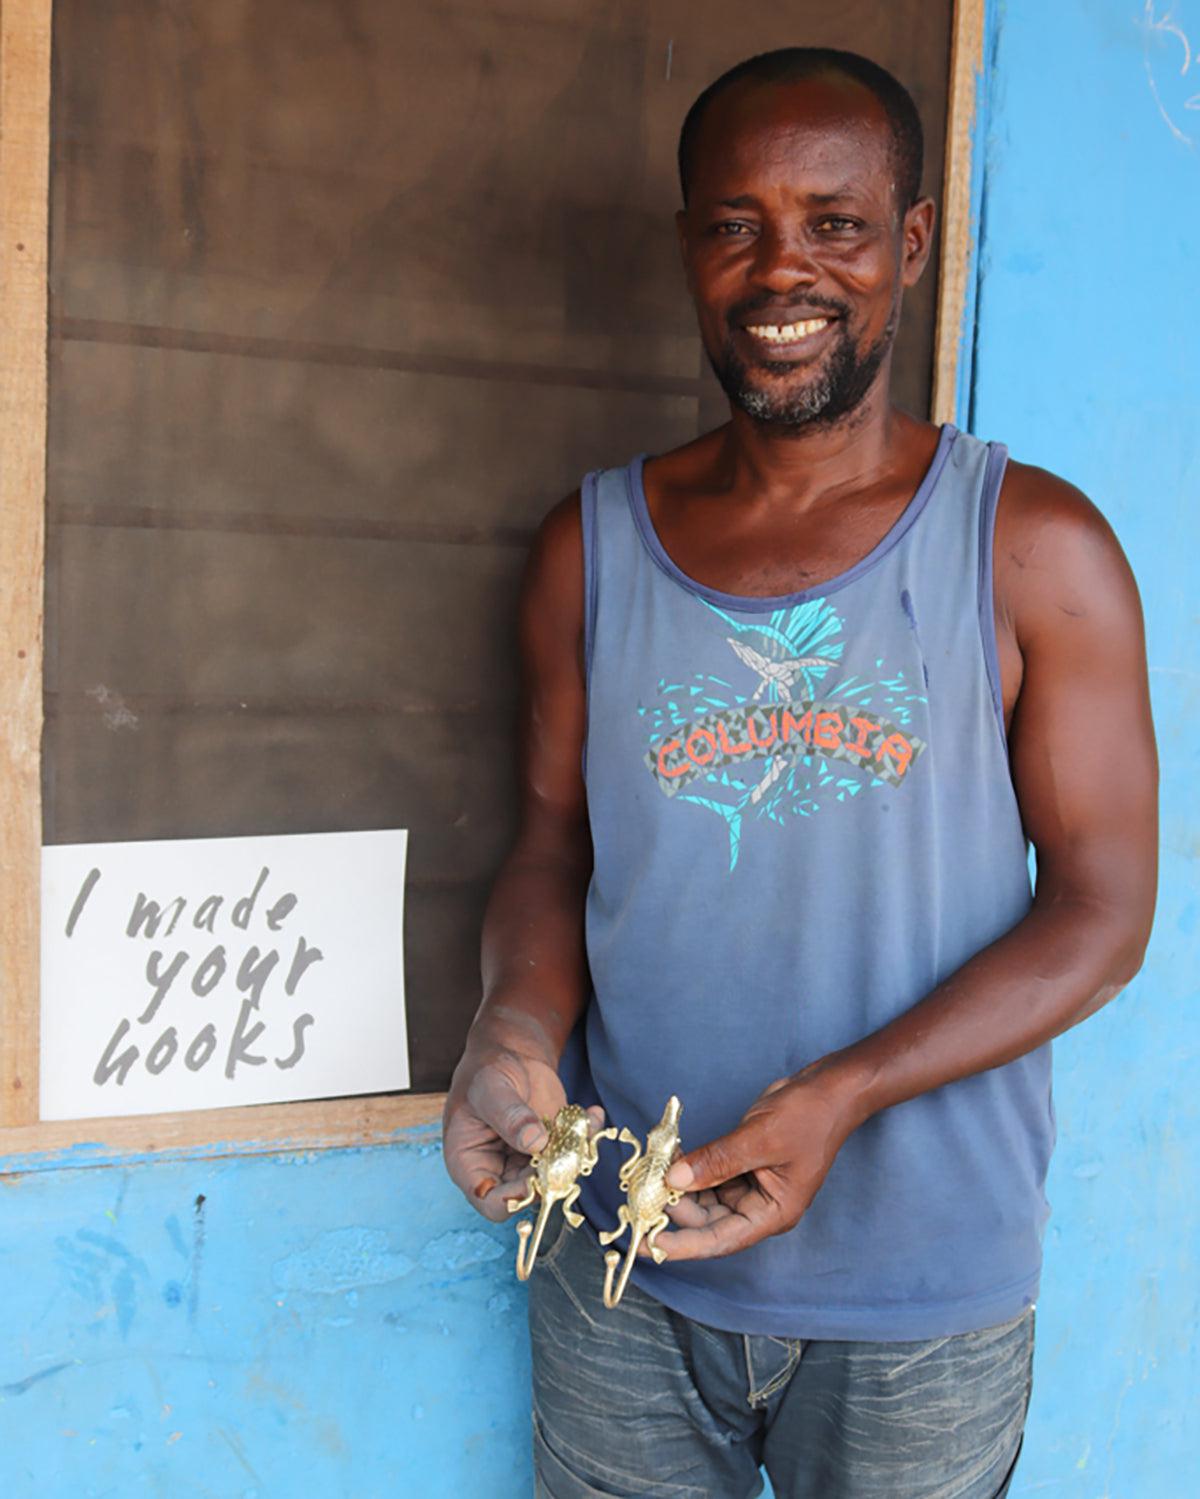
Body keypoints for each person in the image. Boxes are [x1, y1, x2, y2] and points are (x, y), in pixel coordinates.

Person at [442, 47, 1158, 1499]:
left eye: (834, 224)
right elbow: (548, 848)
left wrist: (845, 1091)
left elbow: (1104, 912)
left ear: (908, 245)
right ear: (691, 250)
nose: (784, 270)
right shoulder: (590, 548)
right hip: (621, 1267)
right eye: (735, 224)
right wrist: (508, 1031)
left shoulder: (1032, 548)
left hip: (920, 1298)